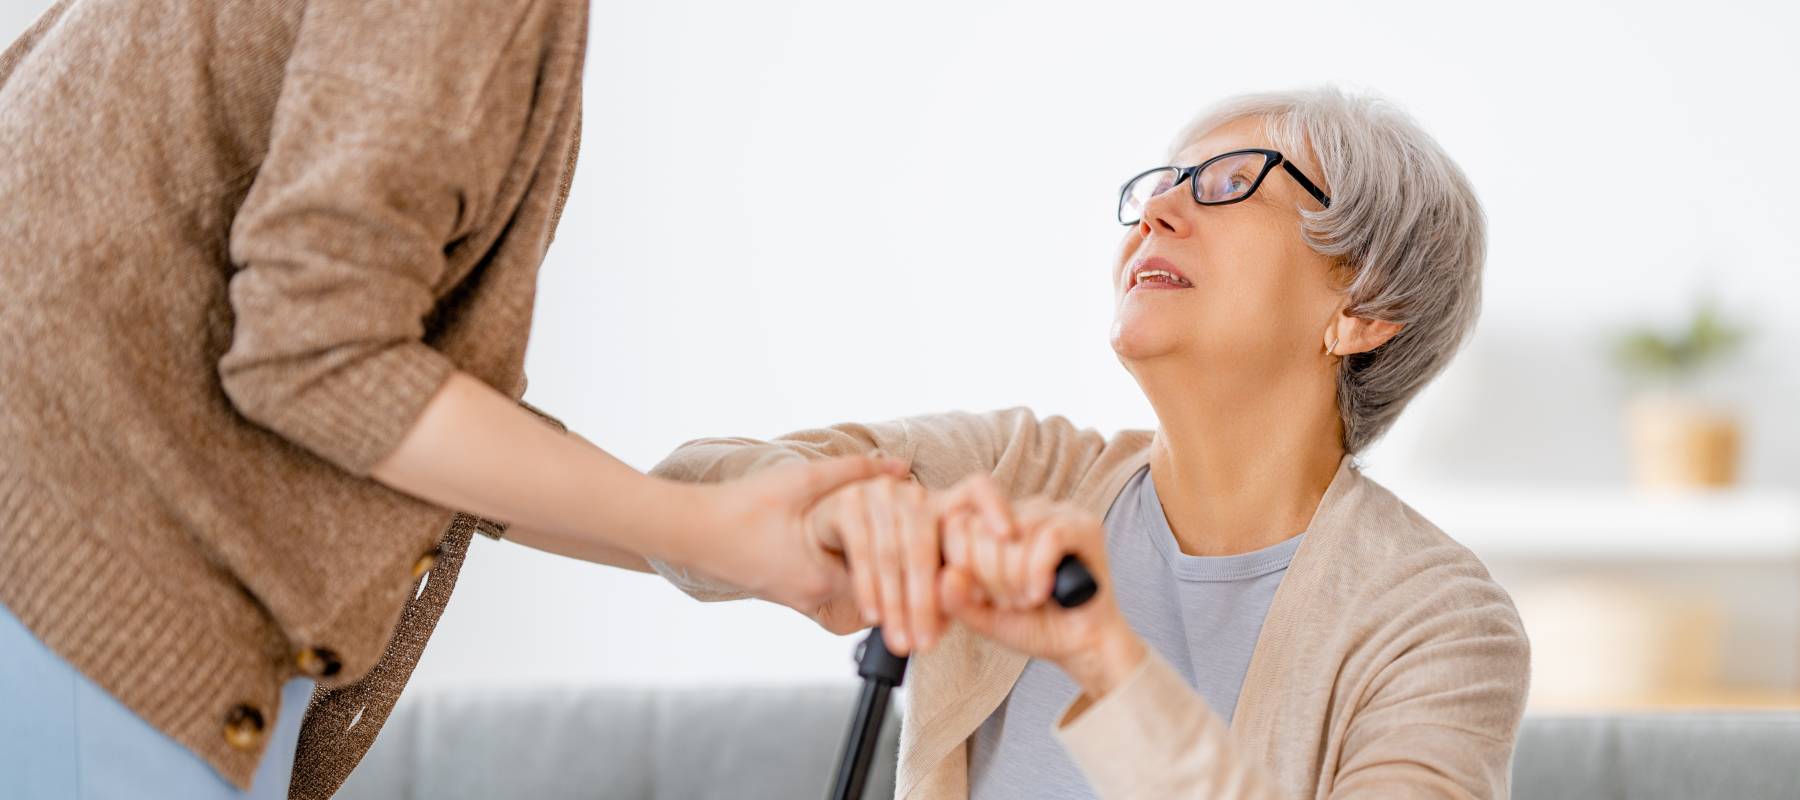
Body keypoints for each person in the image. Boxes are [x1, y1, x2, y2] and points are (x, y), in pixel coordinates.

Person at [0, 2, 961, 798]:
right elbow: (315, 353)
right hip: (94, 602)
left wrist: (723, 541)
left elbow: (377, 398)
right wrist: (708, 531)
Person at [651, 87, 1531, 798]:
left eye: (1229, 182)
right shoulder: (1022, 475)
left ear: (1364, 308)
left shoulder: (1439, 624)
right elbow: (676, 497)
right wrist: (821, 509)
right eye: (1159, 186)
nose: (1158, 211)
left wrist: (1109, 665)